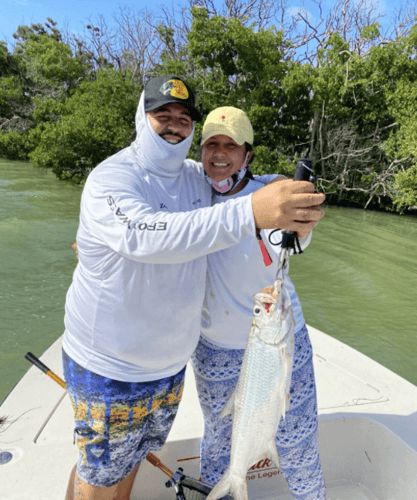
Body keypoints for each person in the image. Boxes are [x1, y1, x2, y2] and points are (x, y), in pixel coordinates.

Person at [63, 75, 325, 500]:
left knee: (127, 465)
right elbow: (150, 233)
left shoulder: (214, 182)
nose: (173, 125)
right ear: (140, 119)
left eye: (183, 118)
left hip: (174, 367)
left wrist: (299, 214)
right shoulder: (119, 178)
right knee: (104, 473)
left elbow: (282, 226)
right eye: (161, 115)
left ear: (247, 153)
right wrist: (97, 241)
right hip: (119, 365)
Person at [191, 107, 327, 499]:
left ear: (247, 154)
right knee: (219, 441)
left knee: (298, 443)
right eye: (211, 144)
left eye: (230, 145)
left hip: (281, 338)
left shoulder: (275, 194)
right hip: (214, 348)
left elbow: (294, 241)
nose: (219, 154)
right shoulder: (187, 192)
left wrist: (304, 211)